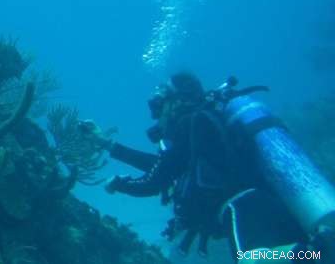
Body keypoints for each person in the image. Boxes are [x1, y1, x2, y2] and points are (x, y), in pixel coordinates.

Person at [84, 73, 335, 263]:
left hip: (242, 209)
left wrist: (118, 184)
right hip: (265, 204)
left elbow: (155, 181)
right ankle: (314, 249)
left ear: (176, 101)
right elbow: (165, 168)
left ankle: (317, 248)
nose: (157, 114)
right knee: (276, 257)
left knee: (254, 260)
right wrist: (108, 145)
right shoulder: (201, 127)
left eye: (160, 104)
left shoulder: (188, 125)